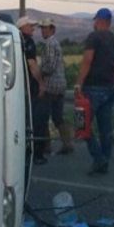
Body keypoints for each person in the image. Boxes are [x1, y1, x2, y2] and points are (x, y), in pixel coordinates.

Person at [74, 8, 114, 175]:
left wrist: (78, 84)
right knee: (105, 129)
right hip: (108, 88)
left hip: (92, 87)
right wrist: (112, 83)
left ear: (99, 21)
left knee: (82, 125)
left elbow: (87, 60)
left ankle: (98, 158)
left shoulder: (93, 37)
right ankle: (105, 161)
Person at [38, 18, 74, 155]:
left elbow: (50, 66)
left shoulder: (49, 44)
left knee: (43, 116)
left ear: (52, 29)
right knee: (58, 116)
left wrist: (38, 72)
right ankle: (67, 143)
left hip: (50, 86)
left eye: (46, 28)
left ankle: (46, 146)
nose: (43, 30)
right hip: (60, 85)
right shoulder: (56, 43)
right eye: (42, 28)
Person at [17, 15, 47, 165]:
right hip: (30, 86)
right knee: (36, 120)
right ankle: (37, 154)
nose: (33, 28)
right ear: (23, 27)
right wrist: (41, 83)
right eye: (30, 26)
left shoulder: (15, 40)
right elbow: (32, 65)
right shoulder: (28, 42)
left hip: (18, 86)